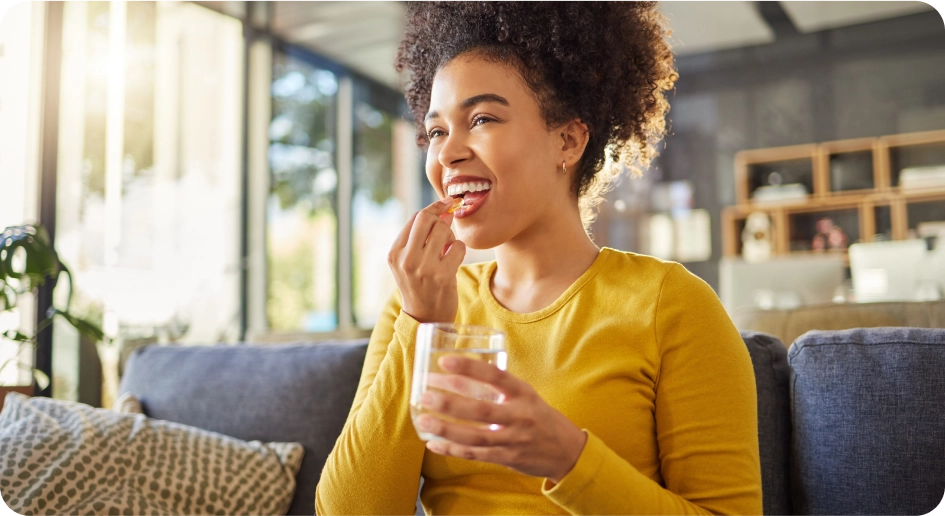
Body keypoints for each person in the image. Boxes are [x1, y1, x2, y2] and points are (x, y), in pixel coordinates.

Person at [316, 1, 762, 514]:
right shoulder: (419, 305)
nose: (446, 153)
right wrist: (421, 326)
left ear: (567, 140)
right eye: (436, 131)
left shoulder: (671, 305)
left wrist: (569, 458)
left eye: (481, 118)